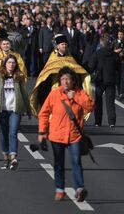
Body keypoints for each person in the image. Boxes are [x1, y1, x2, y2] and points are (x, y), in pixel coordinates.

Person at [37, 67, 94, 202]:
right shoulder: (54, 94)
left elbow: (90, 106)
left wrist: (76, 97)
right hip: (57, 134)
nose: (65, 81)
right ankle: (60, 189)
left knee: (76, 161)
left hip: (74, 135)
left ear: (73, 80)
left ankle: (80, 189)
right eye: (62, 79)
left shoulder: (80, 93)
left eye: (68, 78)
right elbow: (44, 113)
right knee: (58, 163)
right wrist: (42, 131)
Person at [0, 55, 30, 170]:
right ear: (5, 64)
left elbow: (24, 93)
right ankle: (6, 157)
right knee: (4, 134)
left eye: (13, 63)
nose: (11, 65)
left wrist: (29, 109)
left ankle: (13, 157)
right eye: (9, 62)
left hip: (15, 110)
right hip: (2, 110)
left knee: (13, 133)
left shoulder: (19, 77)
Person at [89, 36, 119, 128]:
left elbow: (91, 66)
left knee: (98, 101)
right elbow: (118, 68)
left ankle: (98, 121)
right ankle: (112, 122)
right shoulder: (114, 55)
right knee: (110, 102)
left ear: (101, 43)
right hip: (111, 79)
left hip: (100, 80)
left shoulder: (97, 53)